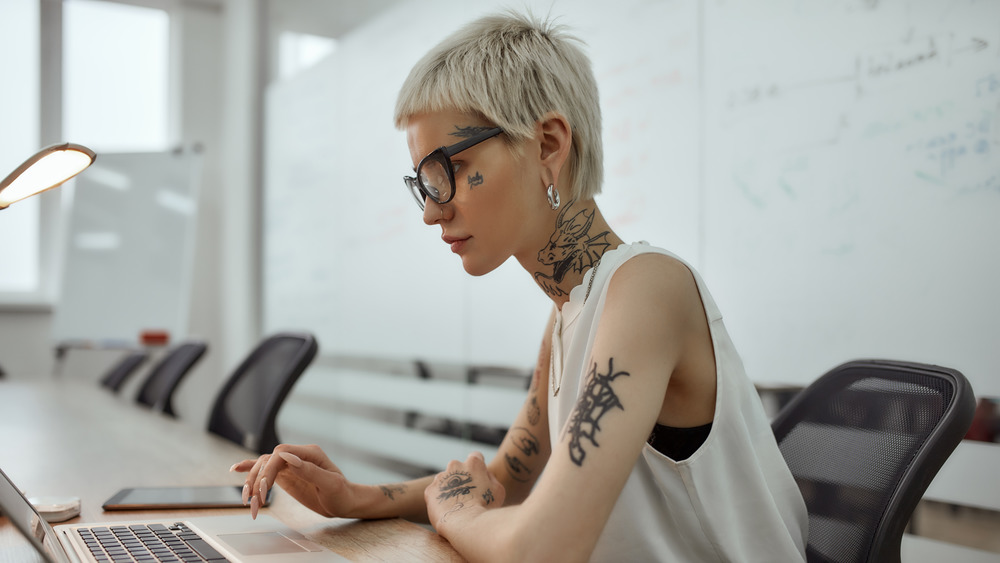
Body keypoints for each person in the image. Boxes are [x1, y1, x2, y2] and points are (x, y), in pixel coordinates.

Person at [231, 10, 808, 561]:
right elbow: (508, 476)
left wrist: (457, 514)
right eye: (423, 183)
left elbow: (543, 549)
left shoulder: (648, 289)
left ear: (549, 145)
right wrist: (353, 497)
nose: (432, 213)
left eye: (446, 170)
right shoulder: (570, 317)